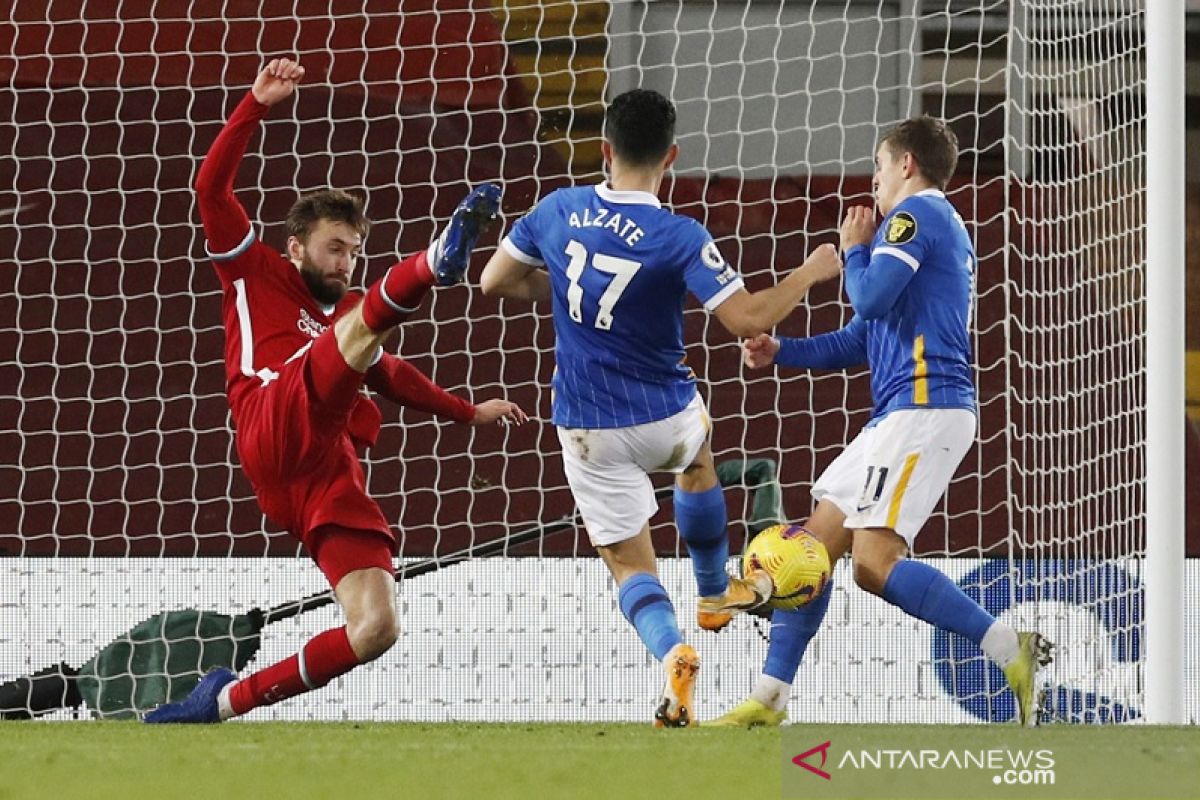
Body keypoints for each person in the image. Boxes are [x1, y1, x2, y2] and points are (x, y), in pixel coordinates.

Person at [145, 59, 526, 723]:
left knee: (376, 627)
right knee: (355, 331)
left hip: (323, 469)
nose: (344, 261)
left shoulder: (348, 310)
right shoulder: (251, 268)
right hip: (271, 412)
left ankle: (222, 703)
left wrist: (469, 412)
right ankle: (437, 262)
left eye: (352, 251)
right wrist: (255, 105)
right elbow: (210, 190)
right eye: (332, 248)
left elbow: (393, 375)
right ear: (296, 247)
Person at [479, 88, 841, 727]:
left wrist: (564, 289)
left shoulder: (557, 209)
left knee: (627, 563)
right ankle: (710, 591)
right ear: (670, 156)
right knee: (697, 460)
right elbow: (747, 318)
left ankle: (674, 650)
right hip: (665, 415)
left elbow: (495, 281)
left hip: (587, 423)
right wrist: (812, 271)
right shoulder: (679, 236)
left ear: (604, 149)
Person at [708, 115, 1053, 728]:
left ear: (905, 166)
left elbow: (863, 297)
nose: (874, 179)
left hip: (925, 409)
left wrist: (853, 249)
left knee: (874, 563)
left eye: (877, 165)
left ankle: (1010, 648)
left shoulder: (914, 217)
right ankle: (769, 700)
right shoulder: (923, 231)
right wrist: (781, 351)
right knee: (808, 551)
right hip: (900, 413)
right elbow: (860, 337)